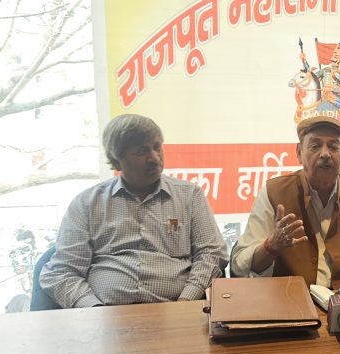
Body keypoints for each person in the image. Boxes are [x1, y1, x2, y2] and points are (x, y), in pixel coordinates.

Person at [40, 114, 227, 308]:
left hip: (176, 310)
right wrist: (94, 310)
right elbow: (62, 271)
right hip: (106, 315)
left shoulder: (189, 195)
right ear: (116, 161)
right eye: (141, 151)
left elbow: (211, 253)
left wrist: (185, 301)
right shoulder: (87, 203)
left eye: (157, 147)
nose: (154, 158)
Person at [231, 113, 340, 289]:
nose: (325, 154)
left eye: (333, 146)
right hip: (292, 300)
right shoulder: (274, 193)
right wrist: (270, 247)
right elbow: (240, 265)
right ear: (299, 153)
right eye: (315, 146)